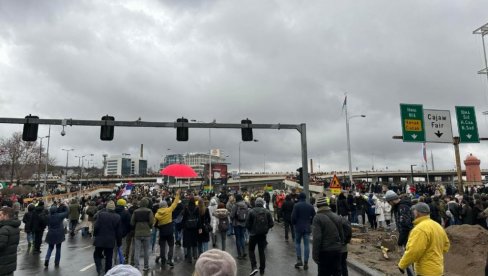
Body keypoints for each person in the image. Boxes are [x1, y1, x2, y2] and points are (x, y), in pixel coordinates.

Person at [398, 202, 450, 275]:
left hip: (425, 271)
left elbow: (414, 251)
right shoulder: (437, 226)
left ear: (417, 213)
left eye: (414, 211)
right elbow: (446, 245)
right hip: (438, 269)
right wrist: (434, 253)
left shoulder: (419, 229)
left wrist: (402, 265)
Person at [312, 195, 344, 276]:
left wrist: (315, 254)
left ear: (318, 206)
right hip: (337, 250)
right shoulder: (336, 216)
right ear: (327, 205)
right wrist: (340, 247)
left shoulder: (317, 218)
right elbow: (341, 234)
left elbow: (317, 238)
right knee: (337, 273)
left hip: (325, 252)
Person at [385, 190, 414, 276]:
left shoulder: (402, 207)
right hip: (408, 236)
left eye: (388, 202)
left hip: (409, 236)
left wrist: (400, 241)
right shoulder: (400, 206)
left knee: (409, 258)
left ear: (392, 200)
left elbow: (405, 226)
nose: (389, 204)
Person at [246, 197, 274, 276]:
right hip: (262, 235)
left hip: (253, 234)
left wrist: (251, 229)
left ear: (256, 203)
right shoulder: (267, 211)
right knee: (261, 251)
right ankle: (262, 269)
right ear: (262, 203)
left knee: (251, 250)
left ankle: (254, 266)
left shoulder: (251, 211)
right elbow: (271, 224)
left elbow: (247, 224)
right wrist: (266, 229)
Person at [93, 200, 122, 275]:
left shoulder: (101, 215)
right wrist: (119, 243)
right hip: (110, 241)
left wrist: (95, 235)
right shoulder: (117, 217)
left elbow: (96, 227)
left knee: (97, 254)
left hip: (100, 239)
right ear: (114, 208)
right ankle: (107, 272)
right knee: (109, 257)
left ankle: (99, 269)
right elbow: (118, 232)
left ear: (107, 208)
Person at [154, 189, 181, 267]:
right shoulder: (169, 210)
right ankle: (169, 259)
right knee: (171, 245)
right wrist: (177, 195)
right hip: (169, 231)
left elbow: (154, 223)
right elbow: (175, 203)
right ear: (166, 205)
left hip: (162, 232)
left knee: (162, 246)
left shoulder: (157, 214)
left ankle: (163, 260)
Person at [291, 192, 315, 270]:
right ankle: (306, 262)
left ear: (299, 198)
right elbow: (314, 216)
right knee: (306, 245)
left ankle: (299, 260)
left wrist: (294, 223)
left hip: (298, 227)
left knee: (297, 243)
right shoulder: (310, 206)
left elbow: (293, 217)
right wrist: (309, 223)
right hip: (307, 228)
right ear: (305, 198)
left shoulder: (296, 205)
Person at [130, 197, 154, 271]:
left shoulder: (136, 211)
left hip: (137, 233)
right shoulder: (149, 211)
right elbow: (151, 222)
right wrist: (148, 226)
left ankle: (136, 266)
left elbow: (132, 222)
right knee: (146, 251)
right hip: (146, 232)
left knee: (137, 250)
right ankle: (146, 266)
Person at [44, 203, 69, 268]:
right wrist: (65, 206)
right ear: (56, 210)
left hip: (51, 233)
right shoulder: (59, 216)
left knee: (50, 247)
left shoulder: (48, 216)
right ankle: (57, 262)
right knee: (58, 248)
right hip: (59, 234)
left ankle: (47, 259)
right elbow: (67, 212)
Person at [0, 206, 21, 276]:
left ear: (6, 216)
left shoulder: (4, 229)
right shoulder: (15, 227)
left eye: (0, 215)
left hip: (3, 264)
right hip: (10, 263)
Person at [114, 198, 131, 265]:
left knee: (114, 250)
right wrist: (126, 232)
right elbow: (129, 224)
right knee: (121, 249)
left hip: (114, 234)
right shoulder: (126, 213)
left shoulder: (113, 212)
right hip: (123, 234)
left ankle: (114, 263)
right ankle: (120, 264)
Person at [231, 194, 248, 260]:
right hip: (243, 224)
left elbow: (232, 215)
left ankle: (239, 254)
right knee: (242, 237)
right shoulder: (245, 205)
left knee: (238, 238)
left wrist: (232, 220)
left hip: (236, 224)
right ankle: (244, 252)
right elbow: (247, 214)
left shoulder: (235, 205)